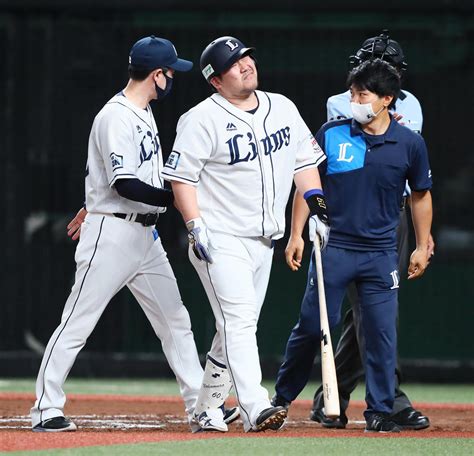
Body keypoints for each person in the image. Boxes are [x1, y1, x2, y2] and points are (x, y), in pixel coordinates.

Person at [31, 35, 210, 433]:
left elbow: (108, 174)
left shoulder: (142, 111)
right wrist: (178, 198)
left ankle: (200, 405)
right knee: (78, 320)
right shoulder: (116, 115)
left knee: (175, 318)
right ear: (156, 74)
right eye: (169, 72)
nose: (172, 79)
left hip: (144, 237)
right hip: (112, 233)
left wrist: (88, 201)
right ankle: (45, 408)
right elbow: (124, 184)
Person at [162, 36, 330, 433]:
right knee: (238, 321)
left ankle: (206, 407)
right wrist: (195, 224)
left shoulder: (282, 107)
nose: (245, 64)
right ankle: (256, 406)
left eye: (246, 56)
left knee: (234, 326)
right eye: (234, 63)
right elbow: (181, 178)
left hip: (263, 242)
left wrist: (318, 211)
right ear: (215, 80)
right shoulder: (200, 118)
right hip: (219, 238)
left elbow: (304, 164)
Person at [272, 59, 433, 433]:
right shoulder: (331, 133)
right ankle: (280, 399)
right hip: (333, 249)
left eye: (362, 94)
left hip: (380, 254)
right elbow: (308, 180)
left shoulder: (410, 143)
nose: (354, 100)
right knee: (311, 327)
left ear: (387, 99)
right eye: (352, 93)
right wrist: (296, 233)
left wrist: (422, 246)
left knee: (380, 336)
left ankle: (379, 412)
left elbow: (421, 196)